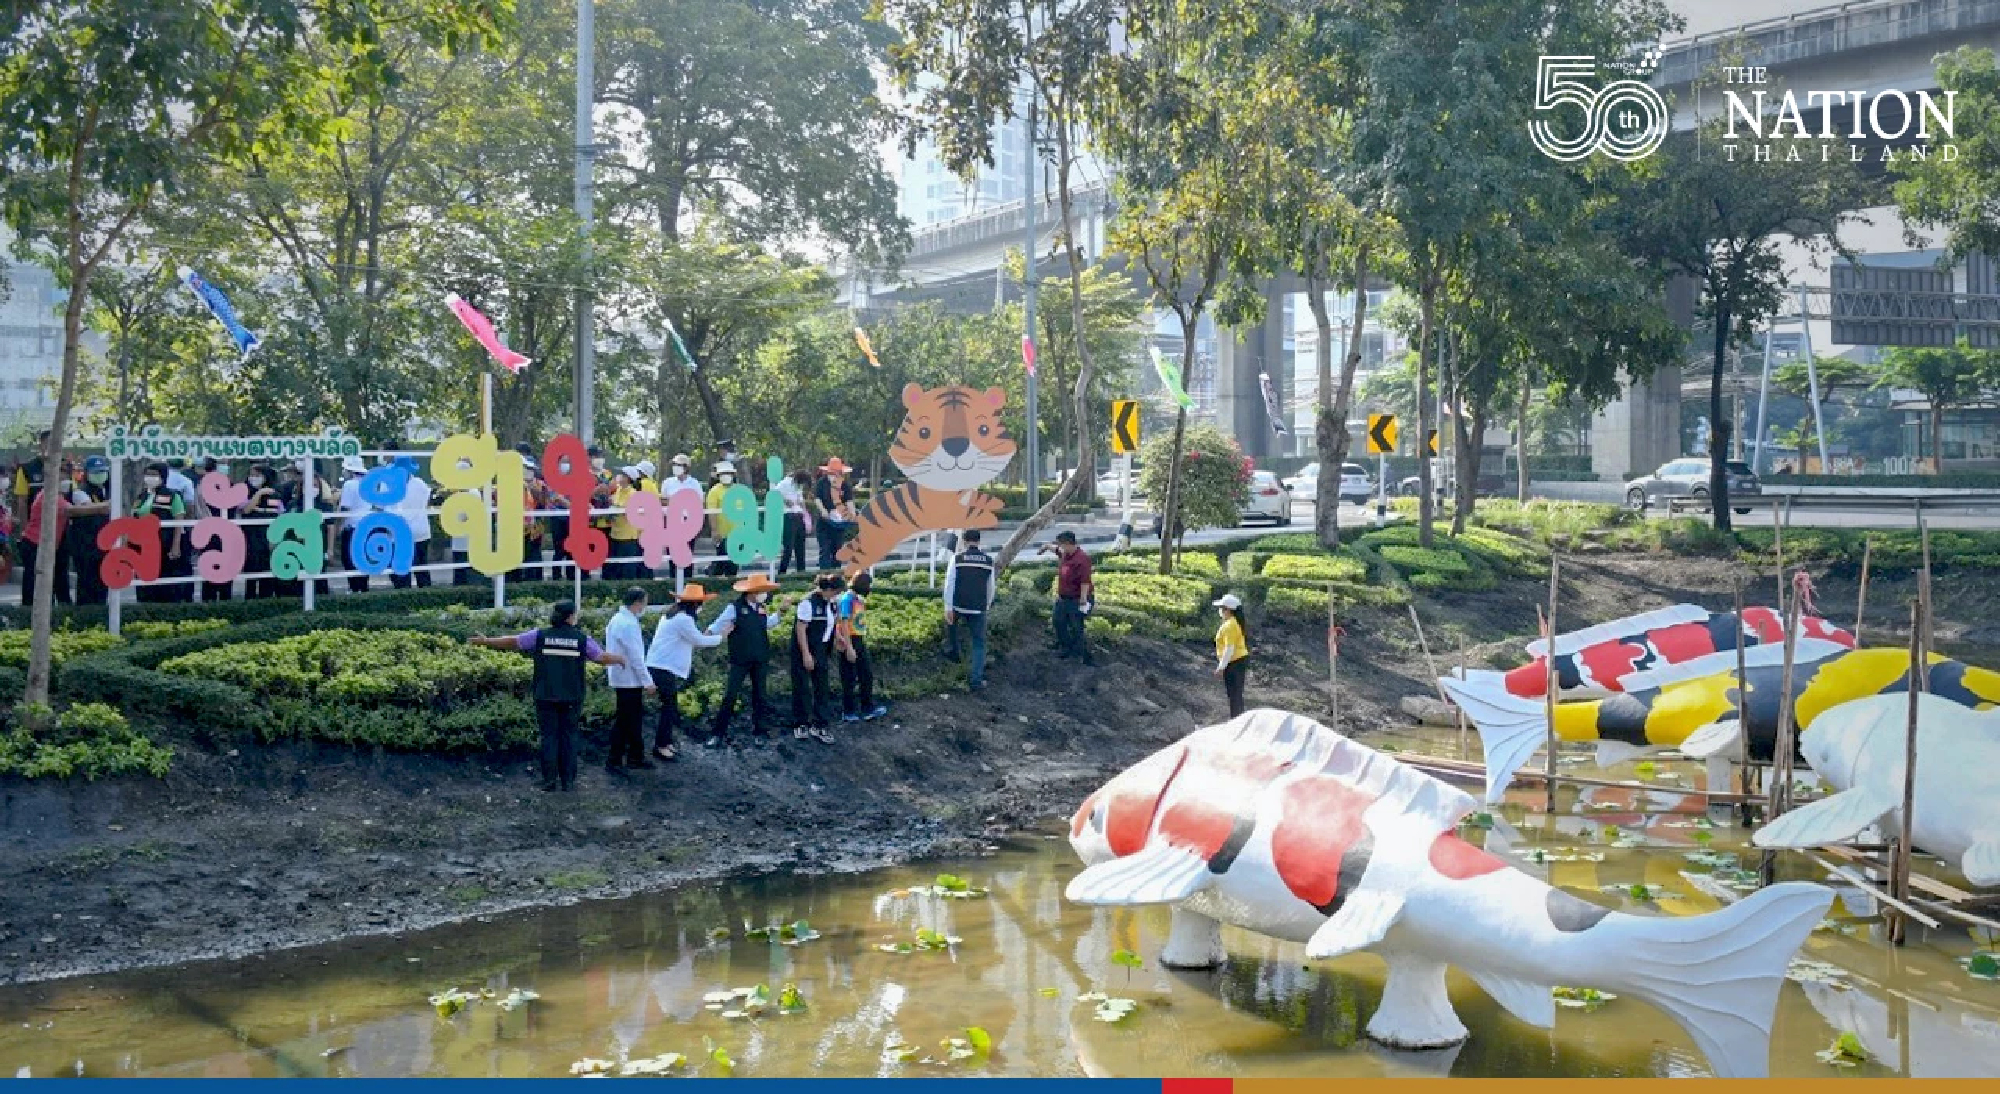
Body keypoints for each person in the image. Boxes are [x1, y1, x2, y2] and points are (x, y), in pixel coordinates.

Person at [469, 601, 625, 792]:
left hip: (545, 695)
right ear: (571, 617)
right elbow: (601, 658)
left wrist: (486, 641)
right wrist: (619, 659)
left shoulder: (539, 635)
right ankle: (568, 781)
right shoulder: (582, 639)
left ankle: (549, 781)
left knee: (549, 737)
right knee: (568, 736)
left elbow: (514, 641)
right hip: (572, 696)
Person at [645, 581, 727, 761]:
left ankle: (665, 742)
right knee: (669, 707)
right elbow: (698, 641)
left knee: (669, 706)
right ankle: (661, 745)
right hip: (662, 667)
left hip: (659, 665)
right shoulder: (683, 619)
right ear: (695, 604)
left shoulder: (672, 615)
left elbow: (692, 639)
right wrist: (721, 637)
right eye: (701, 603)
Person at [706, 572, 788, 746]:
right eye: (761, 590)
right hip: (740, 659)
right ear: (751, 592)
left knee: (760, 695)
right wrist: (704, 638)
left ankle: (760, 730)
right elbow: (717, 625)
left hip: (760, 658)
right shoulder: (734, 608)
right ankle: (718, 733)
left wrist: (781, 612)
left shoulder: (761, 608)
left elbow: (766, 624)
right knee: (730, 695)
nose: (764, 594)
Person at [603, 586, 654, 773]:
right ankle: (627, 758)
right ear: (638, 603)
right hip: (629, 679)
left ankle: (625, 757)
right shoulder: (628, 624)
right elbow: (635, 657)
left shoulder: (618, 620)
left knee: (626, 720)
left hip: (620, 677)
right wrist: (647, 681)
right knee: (629, 720)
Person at [942, 528, 996, 690]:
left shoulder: (957, 558)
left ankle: (954, 655)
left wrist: (948, 607)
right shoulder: (988, 560)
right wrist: (986, 604)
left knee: (951, 629)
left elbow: (949, 583)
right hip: (978, 608)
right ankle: (976, 680)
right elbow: (991, 586)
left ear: (964, 541)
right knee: (979, 643)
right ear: (979, 541)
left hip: (958, 605)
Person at [791, 573, 841, 741]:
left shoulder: (832, 603)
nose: (837, 595)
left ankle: (820, 724)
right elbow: (801, 629)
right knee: (803, 687)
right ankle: (801, 723)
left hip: (821, 649)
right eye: (835, 591)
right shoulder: (808, 603)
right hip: (805, 649)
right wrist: (806, 654)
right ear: (826, 589)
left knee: (822, 687)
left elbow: (831, 624)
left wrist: (838, 639)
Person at [133, 462, 188, 603]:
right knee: (144, 581)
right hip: (143, 547)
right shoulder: (141, 496)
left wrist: (175, 546)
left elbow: (179, 522)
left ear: (163, 476)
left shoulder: (173, 496)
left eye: (154, 475)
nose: (149, 478)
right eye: (148, 474)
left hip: (164, 544)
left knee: (165, 582)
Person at [837, 571, 888, 722]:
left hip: (859, 639)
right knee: (849, 678)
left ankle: (867, 708)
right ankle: (848, 711)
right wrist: (849, 647)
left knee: (866, 675)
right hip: (850, 641)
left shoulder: (856, 599)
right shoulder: (847, 599)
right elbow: (843, 623)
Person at [1044, 530, 1094, 664]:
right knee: (1058, 621)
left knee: (1076, 626)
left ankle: (1080, 653)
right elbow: (1056, 550)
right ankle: (1065, 646)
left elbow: (1085, 581)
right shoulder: (1066, 554)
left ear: (1068, 543)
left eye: (1062, 544)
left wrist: (1083, 599)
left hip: (1077, 598)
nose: (1060, 547)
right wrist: (1046, 547)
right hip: (1063, 598)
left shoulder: (1081, 559)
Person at [69, 456, 112, 606]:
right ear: (86, 473)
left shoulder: (108, 490)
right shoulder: (80, 491)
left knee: (103, 582)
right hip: (85, 546)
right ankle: (85, 615)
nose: (100, 474)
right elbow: (94, 508)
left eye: (102, 471)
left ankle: (100, 613)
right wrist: (109, 505)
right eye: (95, 472)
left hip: (105, 546)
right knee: (87, 582)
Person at [391, 451, 434, 589]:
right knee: (421, 568)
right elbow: (427, 502)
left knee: (402, 572)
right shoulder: (420, 484)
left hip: (400, 533)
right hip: (420, 531)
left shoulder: (391, 485)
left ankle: (404, 599)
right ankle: (426, 599)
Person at [336, 455, 371, 593]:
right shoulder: (368, 484)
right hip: (367, 525)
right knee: (363, 558)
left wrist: (338, 525)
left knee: (349, 558)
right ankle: (363, 587)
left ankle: (354, 588)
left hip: (352, 526)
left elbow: (345, 508)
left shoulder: (350, 485)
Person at [1213, 592, 1251, 717]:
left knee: (1234, 694)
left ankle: (1237, 719)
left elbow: (1229, 648)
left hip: (1234, 661)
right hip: (1237, 661)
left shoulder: (1230, 626)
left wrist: (1221, 667)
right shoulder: (1233, 623)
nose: (1220, 611)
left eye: (1222, 608)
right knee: (1236, 694)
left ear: (1228, 610)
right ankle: (1238, 718)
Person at [812, 459, 855, 569]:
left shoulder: (845, 485)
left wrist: (852, 514)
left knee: (837, 549)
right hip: (824, 522)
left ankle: (836, 574)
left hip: (839, 522)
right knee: (824, 549)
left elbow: (849, 501)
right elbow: (817, 499)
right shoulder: (822, 483)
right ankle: (824, 575)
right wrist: (823, 511)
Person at [704, 461, 739, 578]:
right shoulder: (714, 491)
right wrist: (714, 530)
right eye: (723, 474)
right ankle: (713, 576)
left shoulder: (739, 489)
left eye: (728, 473)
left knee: (733, 563)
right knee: (723, 560)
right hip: (722, 533)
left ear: (733, 475)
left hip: (738, 532)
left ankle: (728, 583)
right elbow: (712, 512)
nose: (726, 476)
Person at [608, 467, 643, 581]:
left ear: (628, 478)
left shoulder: (633, 493)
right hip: (615, 534)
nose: (619, 477)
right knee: (615, 569)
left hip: (628, 536)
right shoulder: (618, 490)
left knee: (627, 570)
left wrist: (616, 508)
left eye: (622, 475)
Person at [776, 468, 810, 574]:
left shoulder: (798, 486)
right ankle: (782, 571)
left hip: (798, 515)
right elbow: (775, 495)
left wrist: (804, 509)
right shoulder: (783, 484)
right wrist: (785, 501)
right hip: (788, 515)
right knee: (788, 546)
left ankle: (801, 570)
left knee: (800, 546)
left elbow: (800, 500)